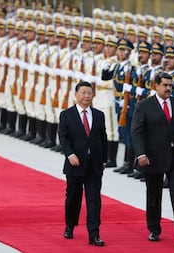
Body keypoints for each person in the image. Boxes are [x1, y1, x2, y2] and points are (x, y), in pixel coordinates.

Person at [131, 72, 174, 244]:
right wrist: (141, 154)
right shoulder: (144, 106)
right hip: (153, 156)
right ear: (155, 86)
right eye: (165, 85)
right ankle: (154, 228)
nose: (168, 89)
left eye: (170, 85)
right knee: (153, 194)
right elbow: (137, 132)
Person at [58, 81, 108, 247]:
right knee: (73, 198)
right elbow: (63, 138)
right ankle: (70, 225)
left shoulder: (99, 115)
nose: (86, 96)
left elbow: (103, 139)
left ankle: (94, 234)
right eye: (83, 93)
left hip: (94, 165)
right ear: (76, 95)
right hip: (75, 163)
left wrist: (104, 160)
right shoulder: (66, 115)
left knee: (94, 200)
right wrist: (70, 154)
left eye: (89, 93)